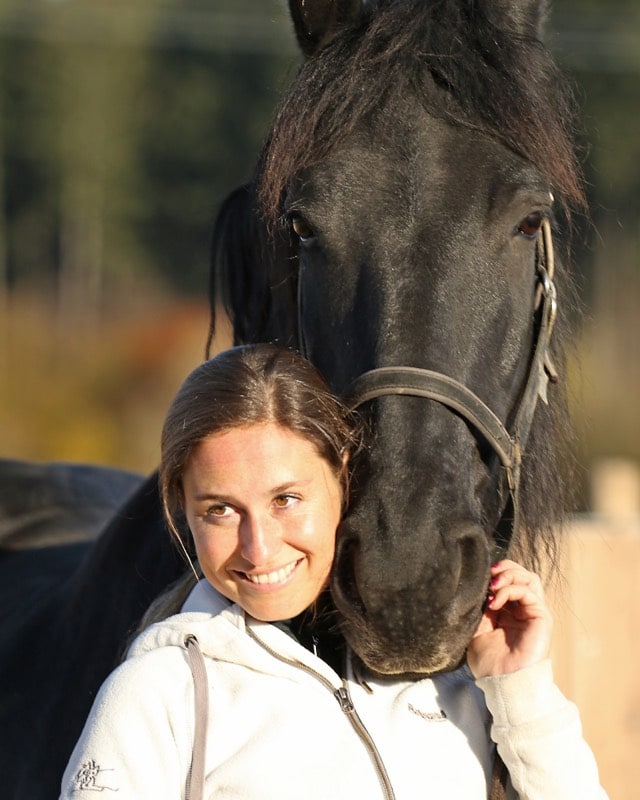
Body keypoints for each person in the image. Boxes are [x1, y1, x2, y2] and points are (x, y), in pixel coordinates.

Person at [59, 343, 607, 800]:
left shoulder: (451, 675)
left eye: (287, 499)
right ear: (183, 507)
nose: (258, 547)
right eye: (220, 510)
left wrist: (520, 687)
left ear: (342, 474)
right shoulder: (159, 694)